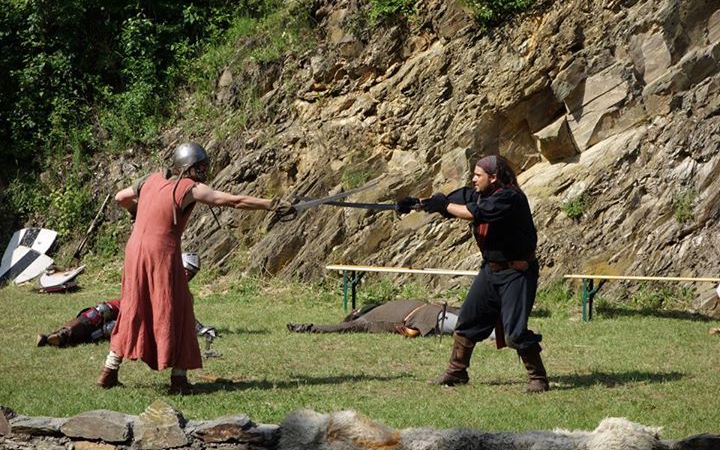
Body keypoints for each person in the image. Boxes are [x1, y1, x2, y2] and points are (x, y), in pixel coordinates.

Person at [96, 142, 294, 394]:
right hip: (161, 252)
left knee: (133, 306)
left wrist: (136, 212)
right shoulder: (189, 188)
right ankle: (179, 379)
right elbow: (232, 201)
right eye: (199, 167)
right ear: (187, 167)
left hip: (134, 250)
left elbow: (120, 197)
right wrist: (271, 204)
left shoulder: (150, 180)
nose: (203, 171)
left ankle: (109, 370)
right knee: (180, 308)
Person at [397, 155, 548, 392]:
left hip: (517, 272)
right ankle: (457, 371)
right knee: (467, 321)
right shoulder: (478, 194)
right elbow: (449, 202)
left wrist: (443, 206)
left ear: (493, 177)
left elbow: (474, 213)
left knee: (515, 332)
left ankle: (538, 378)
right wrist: (417, 204)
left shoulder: (510, 197)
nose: (474, 179)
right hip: (491, 270)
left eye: (478, 175)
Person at [36, 253, 214, 348]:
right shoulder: (157, 275)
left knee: (110, 328)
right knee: (98, 311)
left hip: (140, 320)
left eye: (191, 274)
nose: (186, 275)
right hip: (127, 305)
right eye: (185, 270)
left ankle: (63, 340)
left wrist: (203, 329)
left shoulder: (185, 296)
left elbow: (186, 319)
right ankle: (57, 334)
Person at [287, 299, 462, 337]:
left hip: (437, 310)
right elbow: (339, 327)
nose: (356, 309)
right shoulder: (365, 321)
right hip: (429, 316)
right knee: (471, 327)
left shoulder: (383, 305)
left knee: (472, 320)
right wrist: (308, 327)